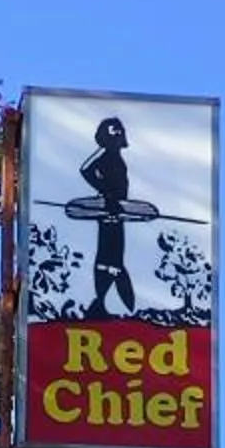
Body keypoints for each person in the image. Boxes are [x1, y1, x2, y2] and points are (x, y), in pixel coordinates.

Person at [79, 116, 137, 317]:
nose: (118, 136)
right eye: (113, 133)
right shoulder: (106, 157)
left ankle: (109, 302)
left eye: (119, 132)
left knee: (114, 257)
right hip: (109, 212)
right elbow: (85, 170)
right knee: (108, 257)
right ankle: (102, 302)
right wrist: (106, 192)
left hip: (118, 211)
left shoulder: (117, 158)